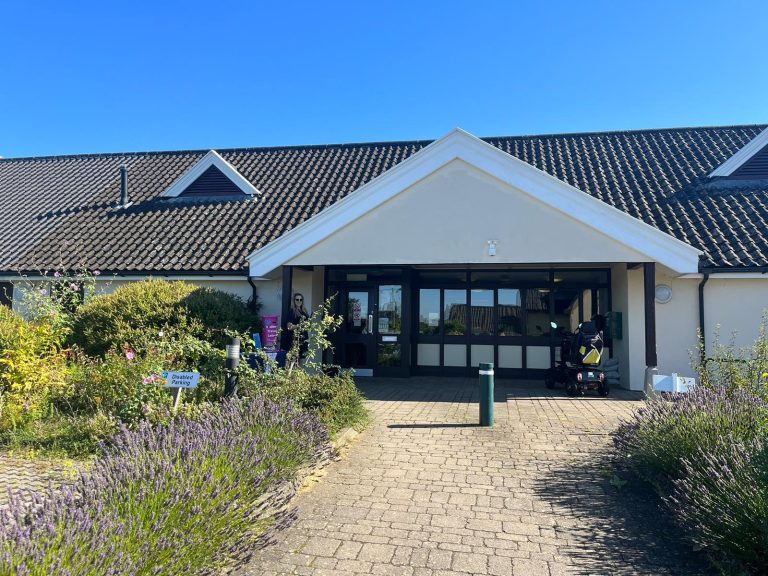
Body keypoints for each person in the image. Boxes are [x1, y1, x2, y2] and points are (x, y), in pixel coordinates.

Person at [286, 293, 310, 366]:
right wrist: (299, 325)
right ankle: (290, 376)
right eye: (297, 299)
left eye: (301, 299)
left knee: (301, 360)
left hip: (304, 338)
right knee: (294, 360)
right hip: (296, 339)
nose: (299, 301)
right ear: (294, 301)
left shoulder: (304, 311)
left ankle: (299, 376)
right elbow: (289, 327)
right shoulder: (292, 311)